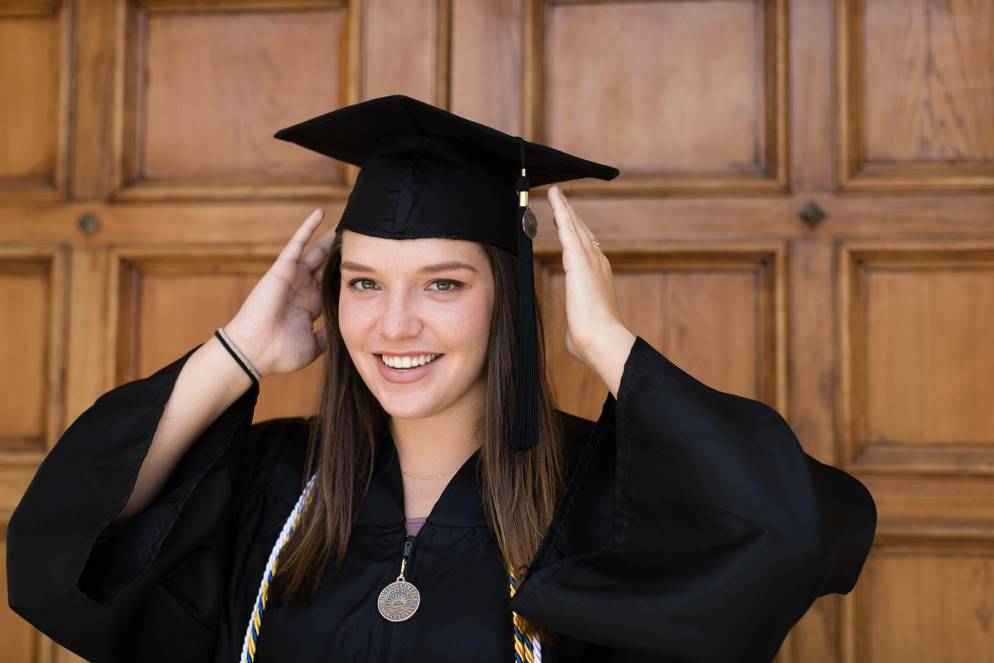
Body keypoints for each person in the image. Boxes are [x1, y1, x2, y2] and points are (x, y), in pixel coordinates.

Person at [6, 96, 876, 663]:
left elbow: (794, 534)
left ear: (512, 304)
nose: (394, 325)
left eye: (444, 284)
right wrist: (238, 352)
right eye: (364, 282)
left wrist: (607, 341)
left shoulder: (603, 501)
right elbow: (54, 554)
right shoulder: (272, 492)